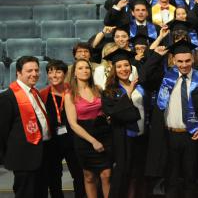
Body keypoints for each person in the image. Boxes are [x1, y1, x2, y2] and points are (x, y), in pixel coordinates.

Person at [140, 40, 198, 198]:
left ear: (192, 59)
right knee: (171, 180)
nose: (184, 65)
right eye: (180, 61)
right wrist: (156, 56)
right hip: (169, 136)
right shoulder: (164, 78)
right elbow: (143, 77)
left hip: (192, 135)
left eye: (187, 61)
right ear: (173, 60)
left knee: (191, 180)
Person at [0, 56, 55, 198]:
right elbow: (2, 131)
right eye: (29, 70)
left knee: (41, 193)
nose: (34, 74)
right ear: (18, 73)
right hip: (23, 158)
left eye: (36, 70)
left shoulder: (35, 92)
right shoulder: (8, 97)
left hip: (43, 153)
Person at [101, 49, 150, 198]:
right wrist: (128, 93)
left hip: (141, 137)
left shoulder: (139, 86)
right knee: (122, 176)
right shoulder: (110, 91)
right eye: (119, 66)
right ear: (114, 70)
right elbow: (115, 113)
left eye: (126, 65)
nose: (124, 69)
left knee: (137, 176)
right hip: (123, 138)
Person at [65, 58, 114, 198]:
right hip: (84, 137)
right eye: (80, 68)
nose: (84, 71)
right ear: (74, 73)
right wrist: (92, 141)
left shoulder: (98, 89)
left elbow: (106, 109)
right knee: (89, 176)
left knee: (106, 174)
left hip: (104, 133)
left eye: (86, 68)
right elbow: (73, 124)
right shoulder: (70, 94)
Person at [41, 60, 87, 198]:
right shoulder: (42, 94)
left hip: (73, 140)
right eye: (50, 72)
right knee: (53, 176)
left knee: (79, 175)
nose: (53, 75)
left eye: (58, 71)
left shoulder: (74, 92)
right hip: (52, 141)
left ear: (65, 74)